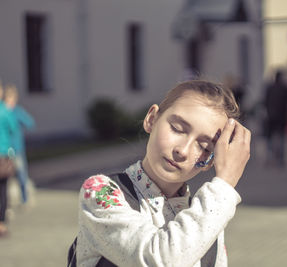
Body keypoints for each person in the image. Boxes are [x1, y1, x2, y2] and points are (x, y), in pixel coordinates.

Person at [76, 80, 251, 266]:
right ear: (151, 119)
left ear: (211, 161)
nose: (182, 150)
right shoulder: (101, 192)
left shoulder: (209, 215)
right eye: (177, 129)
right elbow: (160, 260)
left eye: (204, 146)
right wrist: (223, 185)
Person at [4, 84, 35, 205]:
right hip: (5, 150)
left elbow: (30, 122)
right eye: (7, 99)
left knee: (21, 174)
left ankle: (25, 198)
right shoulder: (3, 112)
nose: (9, 102)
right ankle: (6, 203)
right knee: (6, 178)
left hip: (17, 149)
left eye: (12, 99)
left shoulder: (17, 111)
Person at [263, 70, 287, 166]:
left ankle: (270, 158)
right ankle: (280, 159)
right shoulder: (285, 88)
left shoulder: (269, 88)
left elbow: (264, 101)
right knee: (281, 137)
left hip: (270, 116)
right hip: (282, 117)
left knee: (270, 138)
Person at [0, 81, 17, 237]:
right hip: (3, 155)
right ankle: (1, 224)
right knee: (3, 190)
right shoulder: (5, 111)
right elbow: (13, 128)